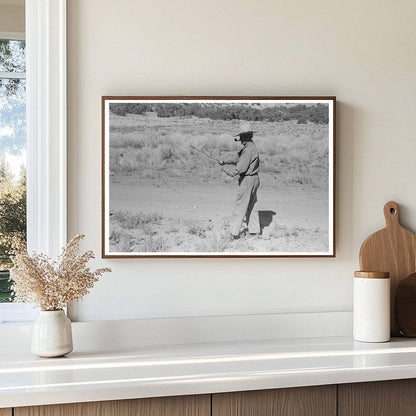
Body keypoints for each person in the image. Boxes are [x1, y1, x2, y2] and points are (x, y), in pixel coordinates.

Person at [220, 121, 260, 239]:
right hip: (254, 179)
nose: (240, 138)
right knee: (251, 206)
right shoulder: (249, 146)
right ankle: (254, 232)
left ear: (246, 136)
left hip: (247, 180)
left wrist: (226, 170)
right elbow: (237, 158)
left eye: (241, 136)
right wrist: (225, 161)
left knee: (240, 206)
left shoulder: (248, 149)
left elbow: (240, 169)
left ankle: (233, 233)